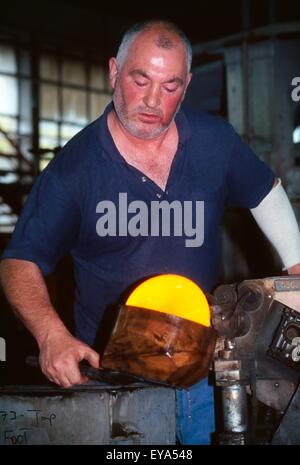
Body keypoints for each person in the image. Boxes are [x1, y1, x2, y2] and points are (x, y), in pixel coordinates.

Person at [1, 20, 300, 445]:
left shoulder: (214, 141)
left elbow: (264, 190)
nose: (153, 100)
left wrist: (297, 266)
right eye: (140, 80)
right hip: (112, 379)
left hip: (203, 372)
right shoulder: (75, 169)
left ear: (187, 84)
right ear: (114, 73)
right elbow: (19, 261)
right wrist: (51, 334)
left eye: (170, 85)